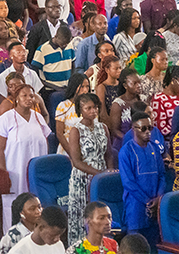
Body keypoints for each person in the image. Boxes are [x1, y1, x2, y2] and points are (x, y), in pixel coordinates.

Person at [66, 93, 110, 244]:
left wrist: (109, 173)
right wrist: (99, 174)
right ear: (81, 110)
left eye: (95, 107)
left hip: (101, 178)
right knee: (82, 220)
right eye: (88, 108)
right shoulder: (75, 130)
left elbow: (109, 154)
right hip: (82, 180)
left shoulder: (103, 127)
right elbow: (77, 161)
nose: (93, 111)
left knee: (100, 217)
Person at [0, 83, 50, 197]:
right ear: (17, 98)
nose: (29, 99)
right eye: (24, 95)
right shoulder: (6, 118)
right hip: (15, 171)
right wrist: (4, 175)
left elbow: (45, 141)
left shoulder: (38, 118)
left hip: (38, 172)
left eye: (31, 96)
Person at [118, 112, 164, 245]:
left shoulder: (154, 148)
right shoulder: (126, 151)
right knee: (135, 247)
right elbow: (128, 183)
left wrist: (158, 199)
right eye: (143, 128)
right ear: (133, 129)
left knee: (154, 245)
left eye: (150, 128)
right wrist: (148, 202)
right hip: (135, 207)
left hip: (155, 208)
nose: (148, 132)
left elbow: (162, 175)